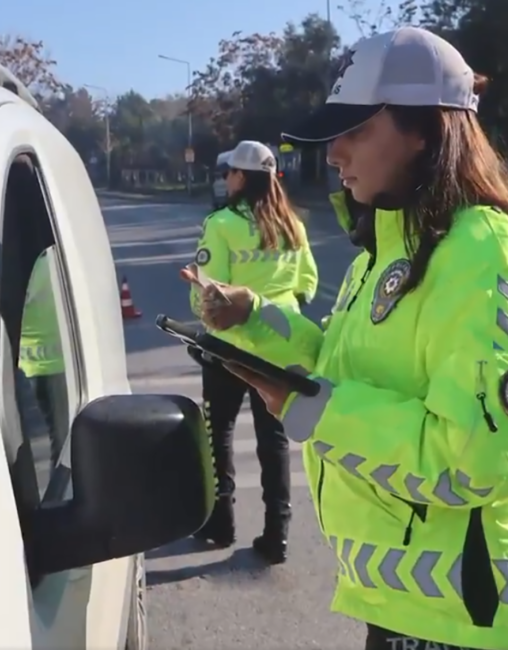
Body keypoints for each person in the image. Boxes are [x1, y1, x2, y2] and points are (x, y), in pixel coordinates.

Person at [197, 26, 508, 650]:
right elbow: (346, 367)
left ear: (424, 129)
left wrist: (313, 409)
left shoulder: (485, 256)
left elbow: (478, 458)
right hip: (416, 605)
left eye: (357, 131)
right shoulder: (396, 243)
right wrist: (254, 317)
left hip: (461, 618)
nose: (335, 153)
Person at [186, 139, 319, 564]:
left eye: (229, 173)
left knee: (218, 432)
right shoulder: (292, 225)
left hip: (230, 347)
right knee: (274, 440)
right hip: (280, 348)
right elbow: (308, 284)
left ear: (242, 177)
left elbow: (208, 295)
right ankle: (276, 533)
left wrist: (201, 311)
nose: (225, 180)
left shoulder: (220, 223)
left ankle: (221, 521)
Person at [19, 250, 68, 466]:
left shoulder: (41, 261)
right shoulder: (42, 263)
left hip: (35, 363)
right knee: (62, 443)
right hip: (44, 366)